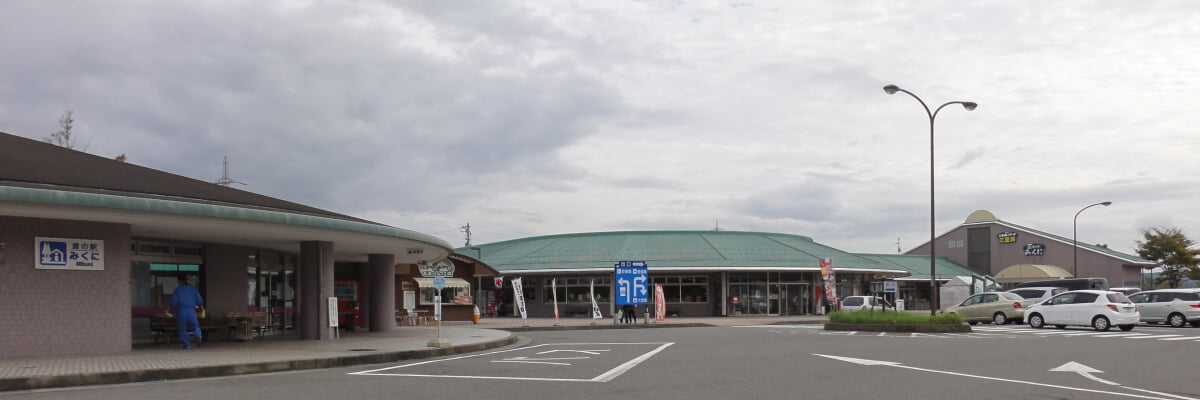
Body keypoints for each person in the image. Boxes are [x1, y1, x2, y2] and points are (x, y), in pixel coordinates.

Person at [170, 274, 205, 349]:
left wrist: (170, 309)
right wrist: (201, 307)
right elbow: (199, 300)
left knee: (182, 328)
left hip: (182, 311)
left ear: (179, 281)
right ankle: (198, 335)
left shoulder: (177, 290)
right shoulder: (193, 289)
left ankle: (187, 344)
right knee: (195, 326)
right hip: (191, 310)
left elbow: (173, 302)